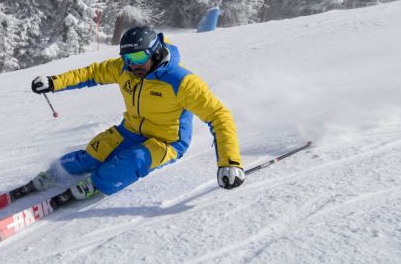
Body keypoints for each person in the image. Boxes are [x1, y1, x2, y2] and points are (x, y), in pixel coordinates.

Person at [29, 26, 244, 200]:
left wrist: (229, 162)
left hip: (166, 141)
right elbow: (92, 73)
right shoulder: (126, 69)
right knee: (92, 154)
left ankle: (95, 184)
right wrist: (53, 82)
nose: (133, 65)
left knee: (130, 161)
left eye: (140, 57)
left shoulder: (182, 82)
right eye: (127, 58)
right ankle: (55, 174)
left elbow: (218, 116)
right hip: (129, 130)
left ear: (155, 52)